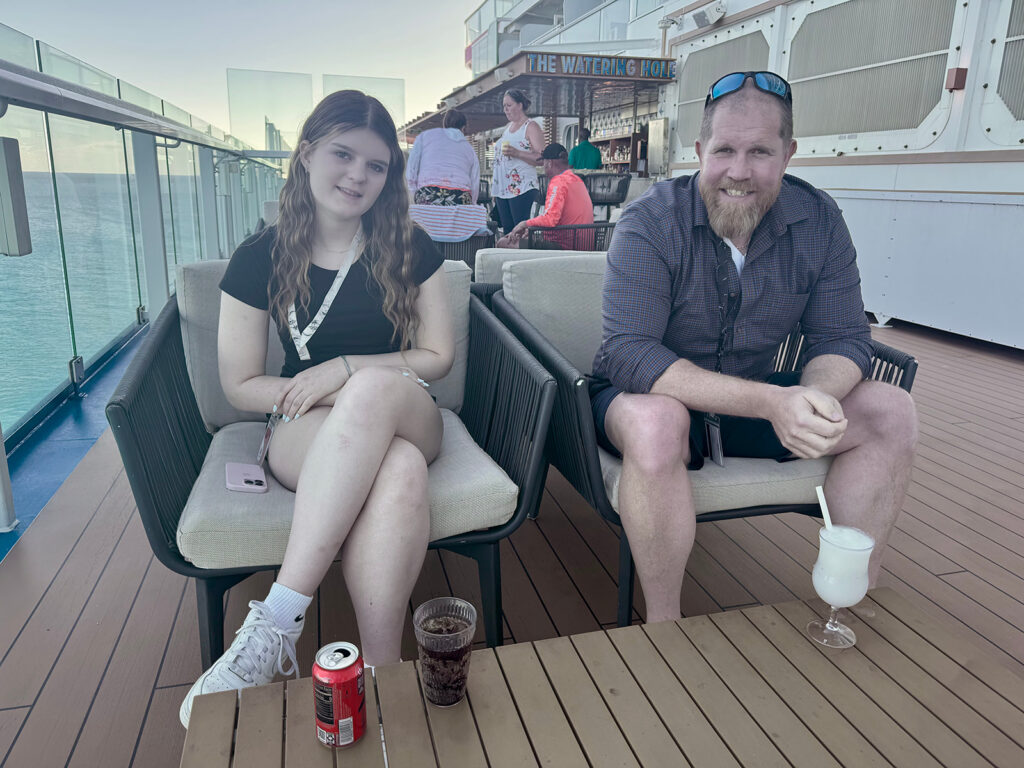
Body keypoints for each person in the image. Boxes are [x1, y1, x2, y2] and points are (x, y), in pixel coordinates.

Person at [589, 71, 918, 624]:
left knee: (891, 409)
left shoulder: (819, 220)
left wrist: (812, 398)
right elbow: (629, 353)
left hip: (760, 401)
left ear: (789, 154)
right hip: (656, 399)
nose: (739, 172)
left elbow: (842, 336)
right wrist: (771, 403)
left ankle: (848, 601)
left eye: (760, 151)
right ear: (698, 151)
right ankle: (663, 625)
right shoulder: (651, 220)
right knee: (656, 422)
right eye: (725, 150)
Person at [179, 90, 455, 727]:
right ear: (306, 155)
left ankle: (277, 621)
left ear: (390, 178)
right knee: (400, 471)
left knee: (377, 391)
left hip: (405, 401)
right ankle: (382, 676)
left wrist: (348, 370)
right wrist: (333, 389)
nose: (358, 174)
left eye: (377, 165)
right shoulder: (259, 257)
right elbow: (240, 383)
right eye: (343, 153)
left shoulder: (410, 245)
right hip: (302, 420)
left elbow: (436, 356)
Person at [497, 143, 594, 249]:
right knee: (524, 239)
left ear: (549, 163)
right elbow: (560, 219)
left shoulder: (559, 181)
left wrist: (524, 224)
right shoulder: (578, 180)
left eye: (543, 163)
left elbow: (550, 220)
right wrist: (532, 229)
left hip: (563, 247)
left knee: (503, 243)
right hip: (583, 244)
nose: (543, 166)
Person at [491, 88, 544, 233]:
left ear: (520, 105)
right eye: (504, 106)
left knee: (519, 231)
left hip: (522, 187)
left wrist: (517, 153)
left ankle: (522, 256)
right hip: (504, 189)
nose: (506, 110)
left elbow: (541, 158)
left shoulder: (531, 126)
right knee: (508, 231)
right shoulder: (508, 128)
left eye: (509, 105)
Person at [405, 108, 480, 205]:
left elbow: (412, 169)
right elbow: (475, 182)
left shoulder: (424, 137)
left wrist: (413, 194)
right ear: (463, 128)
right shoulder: (469, 149)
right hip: (460, 196)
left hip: (427, 193)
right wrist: (472, 204)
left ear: (444, 125)